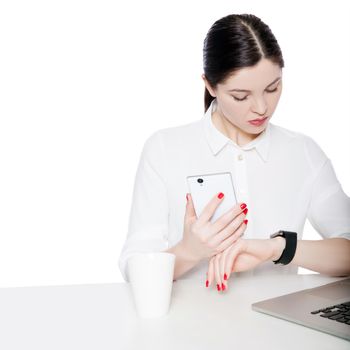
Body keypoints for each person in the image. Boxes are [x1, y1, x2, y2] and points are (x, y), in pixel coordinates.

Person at [118, 14, 350, 292]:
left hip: (279, 329)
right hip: (188, 329)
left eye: (272, 88)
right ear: (210, 85)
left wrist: (277, 248)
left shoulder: (303, 153)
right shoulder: (165, 149)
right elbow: (136, 268)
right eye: (241, 96)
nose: (262, 107)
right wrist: (190, 250)